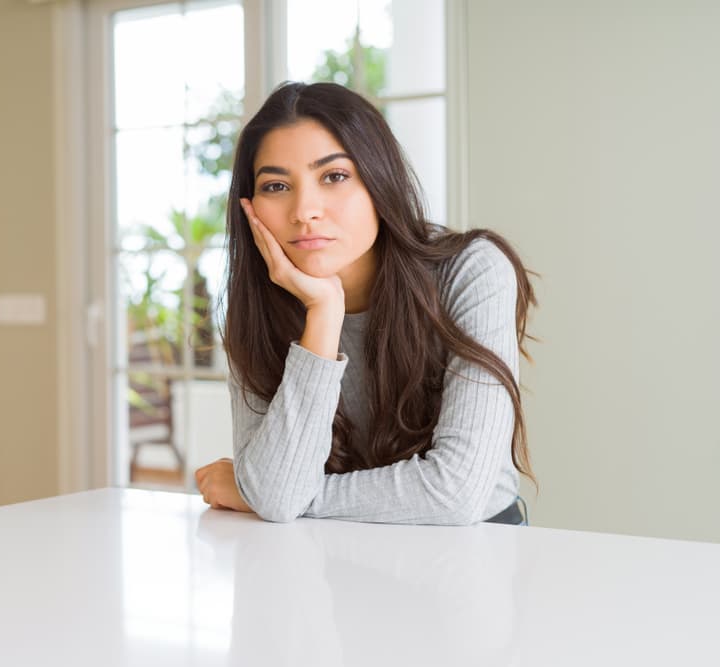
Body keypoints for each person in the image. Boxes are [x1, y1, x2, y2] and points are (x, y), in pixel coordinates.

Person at [193, 82, 537, 526]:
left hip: (473, 553)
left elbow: (456, 493)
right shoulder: (255, 307)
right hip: (328, 556)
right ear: (250, 206)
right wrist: (324, 312)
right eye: (276, 185)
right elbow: (274, 499)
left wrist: (271, 491)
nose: (304, 210)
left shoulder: (471, 270)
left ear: (379, 180)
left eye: (334, 177)